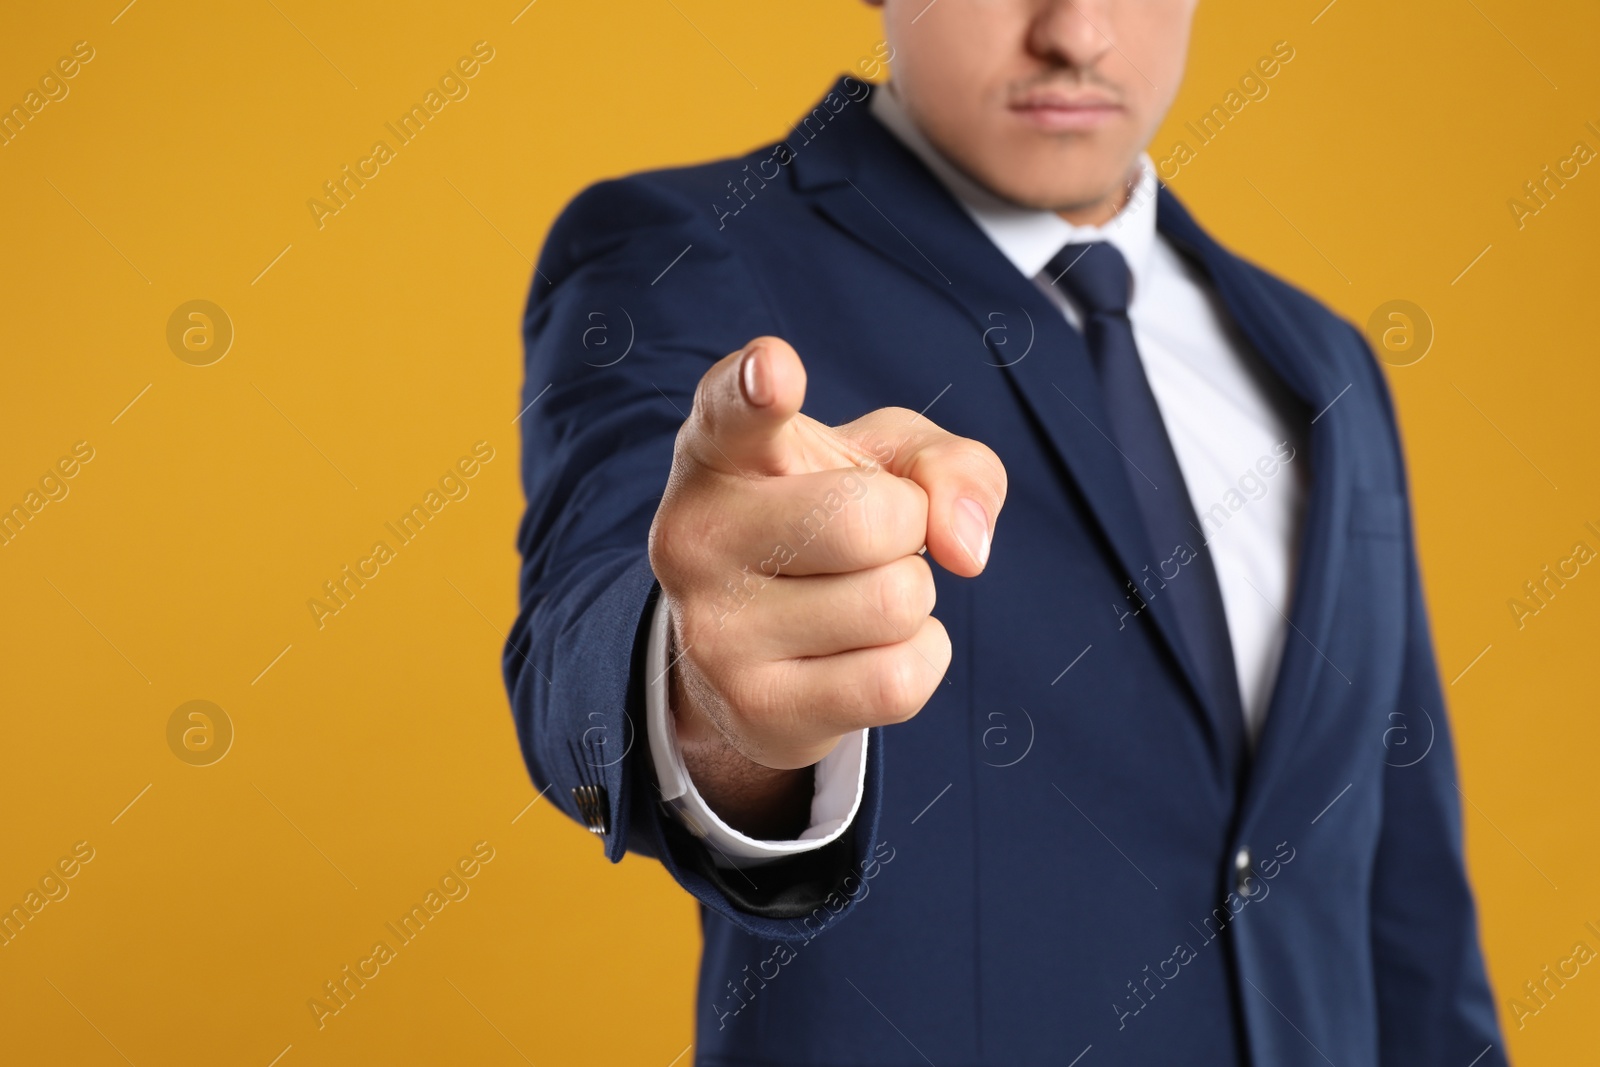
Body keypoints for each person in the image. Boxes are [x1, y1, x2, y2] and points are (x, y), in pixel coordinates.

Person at [505, 1, 1506, 1063]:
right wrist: (697, 693)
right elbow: (588, 614)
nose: (1076, 32)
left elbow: (1409, 898)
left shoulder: (1326, 361)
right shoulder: (684, 248)